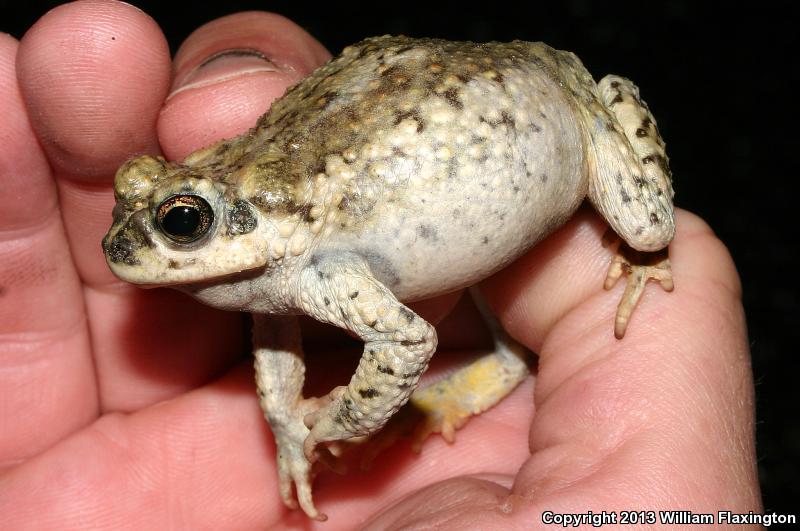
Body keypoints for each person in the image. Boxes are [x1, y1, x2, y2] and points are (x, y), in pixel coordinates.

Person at [0, 1, 762, 528]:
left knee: (649, 227)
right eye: (147, 204)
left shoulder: (306, 248)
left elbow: (405, 342)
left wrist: (341, 419)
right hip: (393, 136)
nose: (133, 246)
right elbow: (274, 308)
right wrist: (284, 419)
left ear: (236, 215)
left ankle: (509, 345)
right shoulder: (282, 260)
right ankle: (502, 362)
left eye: (180, 224)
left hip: (549, 96)